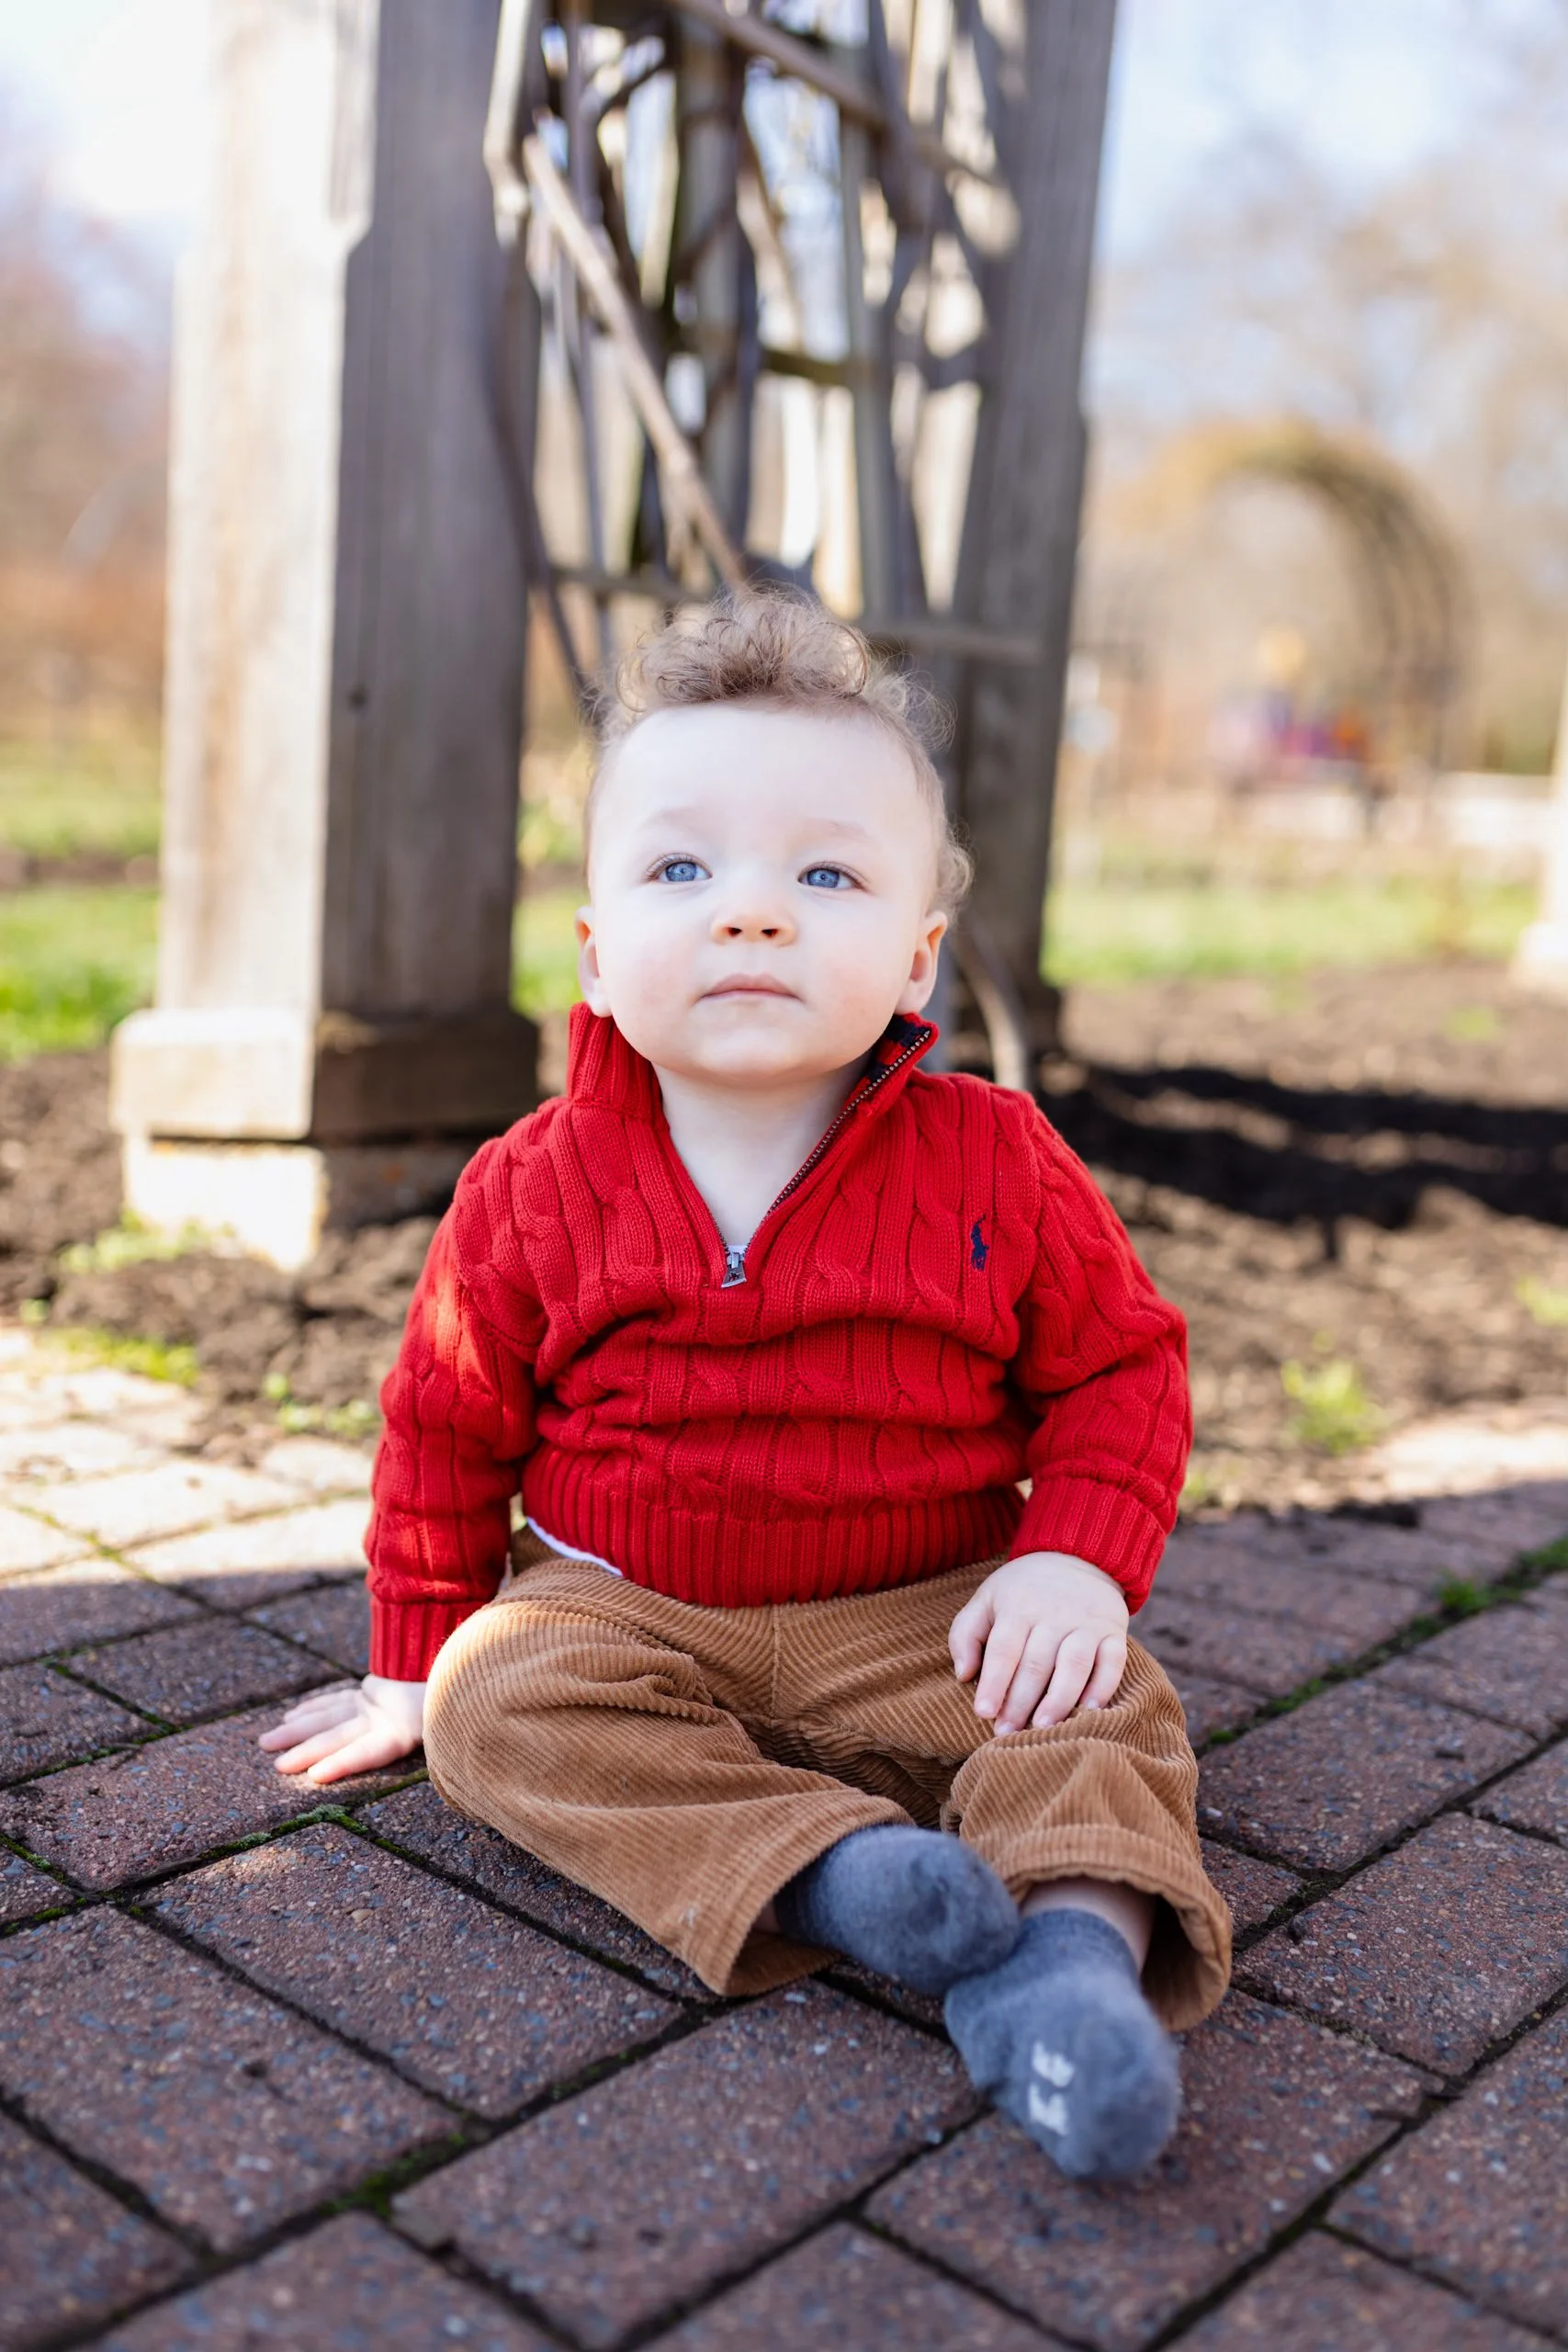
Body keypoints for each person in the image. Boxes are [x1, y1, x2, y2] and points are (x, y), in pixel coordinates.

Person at [261, 594, 1230, 2181]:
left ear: (915, 958)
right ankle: (838, 1879)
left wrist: (1072, 1562)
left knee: (1103, 1701)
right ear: (595, 954)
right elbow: (443, 1424)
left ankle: (1066, 1969)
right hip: (626, 1614)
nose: (754, 915)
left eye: (825, 875)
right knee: (494, 1706)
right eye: (681, 870)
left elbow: (1122, 1366)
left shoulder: (997, 1158)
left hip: (925, 1618)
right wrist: (408, 1665)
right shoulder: (529, 1185)